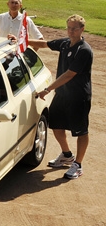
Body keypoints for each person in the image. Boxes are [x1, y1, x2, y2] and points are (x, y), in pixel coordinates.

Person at [29, 15, 93, 180]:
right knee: (56, 125)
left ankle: (78, 164)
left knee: (81, 131)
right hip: (62, 94)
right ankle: (66, 155)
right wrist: (23, 41)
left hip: (78, 97)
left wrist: (47, 89)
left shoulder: (84, 50)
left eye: (75, 28)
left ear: (82, 29)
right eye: (69, 28)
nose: (71, 31)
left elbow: (69, 75)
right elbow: (44, 44)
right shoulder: (65, 43)